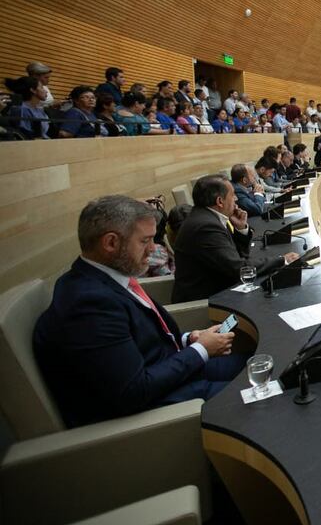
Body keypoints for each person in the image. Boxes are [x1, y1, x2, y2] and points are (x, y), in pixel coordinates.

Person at [33, 195, 245, 428]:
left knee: (262, 363)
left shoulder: (105, 277)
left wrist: (189, 339)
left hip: (169, 369)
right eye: (145, 241)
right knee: (265, 390)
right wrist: (201, 349)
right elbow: (132, 391)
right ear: (111, 243)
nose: (153, 249)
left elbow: (141, 341)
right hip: (154, 408)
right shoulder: (88, 304)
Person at [171, 175, 299, 303]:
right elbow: (239, 269)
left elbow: (238, 257)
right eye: (232, 195)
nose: (236, 199)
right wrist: (282, 260)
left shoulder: (206, 217)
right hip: (204, 302)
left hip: (217, 289)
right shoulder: (206, 227)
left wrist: (241, 229)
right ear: (220, 201)